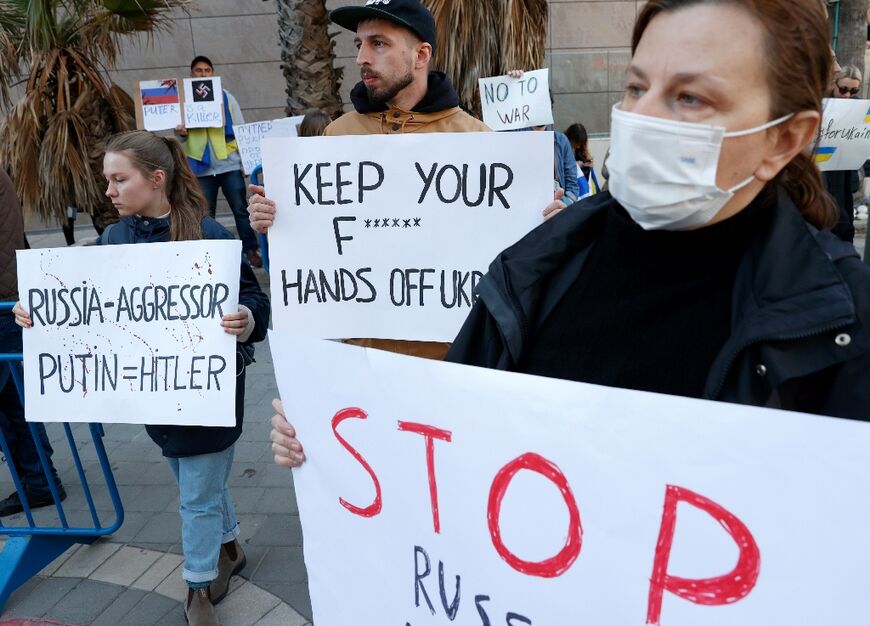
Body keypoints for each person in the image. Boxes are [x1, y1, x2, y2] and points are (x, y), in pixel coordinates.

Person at [269, 0, 870, 470]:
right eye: (636, 87)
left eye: (690, 97)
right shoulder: (542, 266)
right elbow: (454, 429)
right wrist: (330, 427)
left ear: (786, 139)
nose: (643, 118)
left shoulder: (839, 321)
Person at [14, 131, 269, 626]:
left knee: (194, 492)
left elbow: (255, 302)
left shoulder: (211, 236)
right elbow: (84, 302)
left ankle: (197, 586)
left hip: (208, 391)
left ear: (156, 180)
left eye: (118, 179)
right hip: (155, 393)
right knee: (193, 476)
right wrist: (38, 311)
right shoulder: (114, 238)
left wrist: (246, 319)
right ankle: (230, 546)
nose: (108, 191)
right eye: (107, 180)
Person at [248, 0, 567, 361]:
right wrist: (274, 217)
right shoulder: (336, 138)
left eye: (378, 44)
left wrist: (545, 227)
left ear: (421, 55)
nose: (362, 58)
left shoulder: (478, 141)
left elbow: (511, 260)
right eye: (359, 44)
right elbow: (318, 247)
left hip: (453, 360)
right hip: (364, 361)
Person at [0, 168, 66, 518]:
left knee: (13, 401)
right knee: (13, 401)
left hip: (4, 300)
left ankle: (40, 482)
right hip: (7, 297)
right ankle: (40, 482)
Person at [176, 55, 263, 268]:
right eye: (198, 70)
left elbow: (241, 129)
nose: (203, 74)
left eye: (207, 70)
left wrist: (245, 163)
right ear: (191, 74)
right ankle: (210, 255)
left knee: (241, 211)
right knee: (205, 214)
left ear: (212, 73)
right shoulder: (184, 101)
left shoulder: (227, 98)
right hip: (200, 168)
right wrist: (180, 131)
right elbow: (179, 133)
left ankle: (250, 251)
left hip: (229, 164)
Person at [823, 62, 862, 242]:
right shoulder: (822, 104)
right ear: (834, 84)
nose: (848, 95)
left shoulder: (858, 108)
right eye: (844, 89)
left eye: (854, 92)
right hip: (822, 170)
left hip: (844, 172)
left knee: (844, 220)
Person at [565, 122, 600, 198]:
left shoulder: (580, 148)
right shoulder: (563, 146)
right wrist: (576, 164)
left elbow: (587, 157)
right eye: (577, 144)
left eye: (580, 144)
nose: (578, 147)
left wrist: (588, 164)